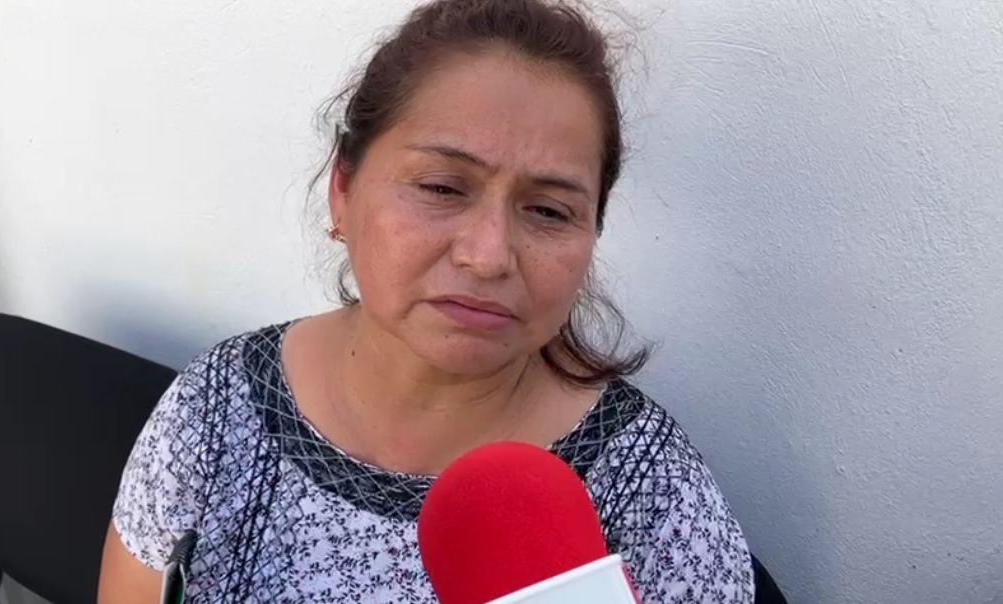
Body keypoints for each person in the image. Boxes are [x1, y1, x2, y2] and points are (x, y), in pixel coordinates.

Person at [97, 0, 755, 601]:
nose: (489, 255)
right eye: (442, 187)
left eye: (549, 211)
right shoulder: (217, 409)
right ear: (342, 189)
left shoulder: (652, 495)